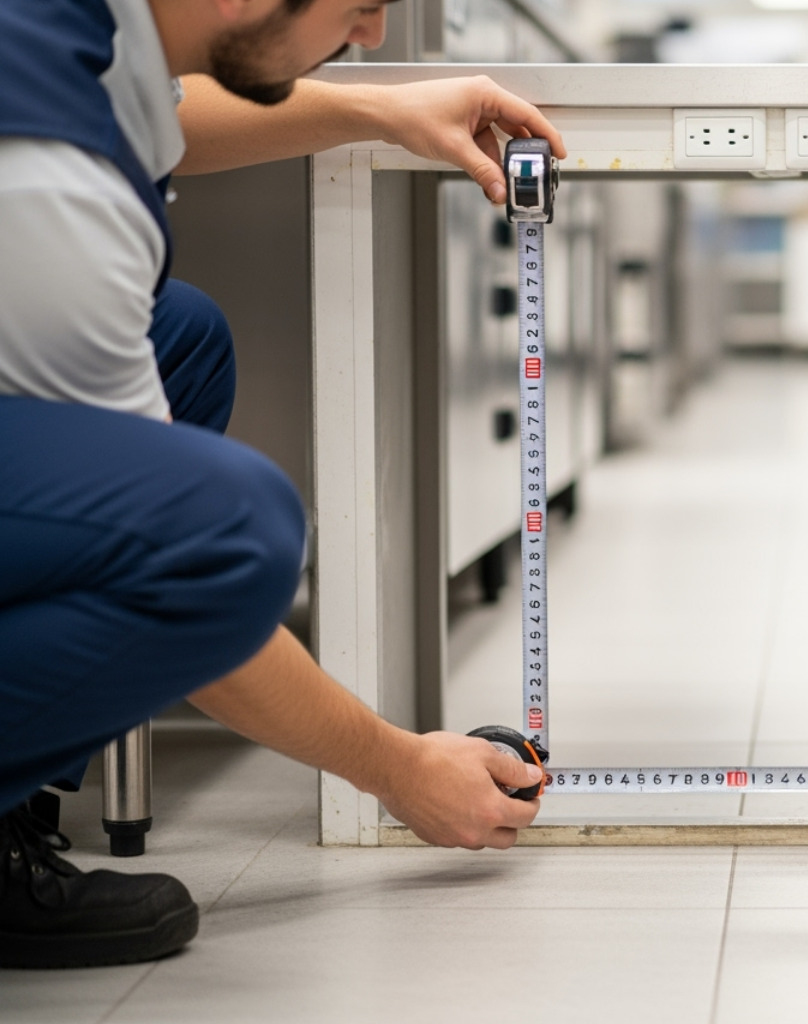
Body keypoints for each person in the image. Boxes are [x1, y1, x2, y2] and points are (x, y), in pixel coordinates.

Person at [0, 0, 567, 970]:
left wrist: (380, 112)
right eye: (359, 9)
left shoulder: (81, 34)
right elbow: (193, 584)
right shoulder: (49, 185)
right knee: (225, 531)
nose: (375, 40)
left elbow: (165, 119)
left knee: (181, 336)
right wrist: (400, 768)